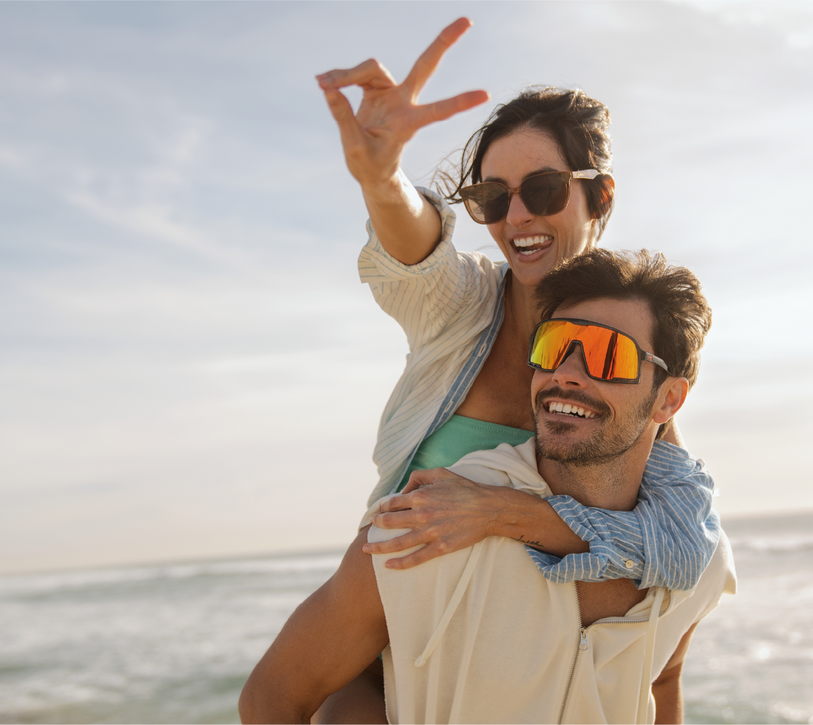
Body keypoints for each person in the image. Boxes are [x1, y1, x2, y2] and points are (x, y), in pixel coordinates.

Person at [312, 17, 720, 720]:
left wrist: (509, 513)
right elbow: (416, 250)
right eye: (492, 198)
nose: (517, 217)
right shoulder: (463, 304)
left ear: (603, 196)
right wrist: (382, 179)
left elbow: (683, 549)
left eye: (544, 188)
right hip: (398, 653)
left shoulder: (622, 364)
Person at [239, 249, 736, 724]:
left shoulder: (702, 561)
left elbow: (663, 677)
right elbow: (274, 697)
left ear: (668, 400)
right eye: (553, 347)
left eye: (609, 356)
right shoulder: (428, 524)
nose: (565, 374)